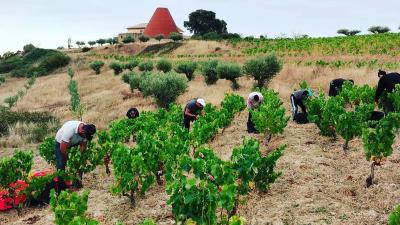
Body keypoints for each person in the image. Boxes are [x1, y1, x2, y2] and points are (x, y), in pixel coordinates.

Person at [54, 121, 96, 189]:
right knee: (61, 164)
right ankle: (61, 187)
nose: (85, 137)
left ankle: (77, 184)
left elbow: (83, 146)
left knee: (79, 163)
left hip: (74, 142)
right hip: (61, 143)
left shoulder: (87, 130)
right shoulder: (70, 130)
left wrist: (81, 158)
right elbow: (62, 147)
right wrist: (68, 158)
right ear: (82, 131)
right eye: (84, 136)